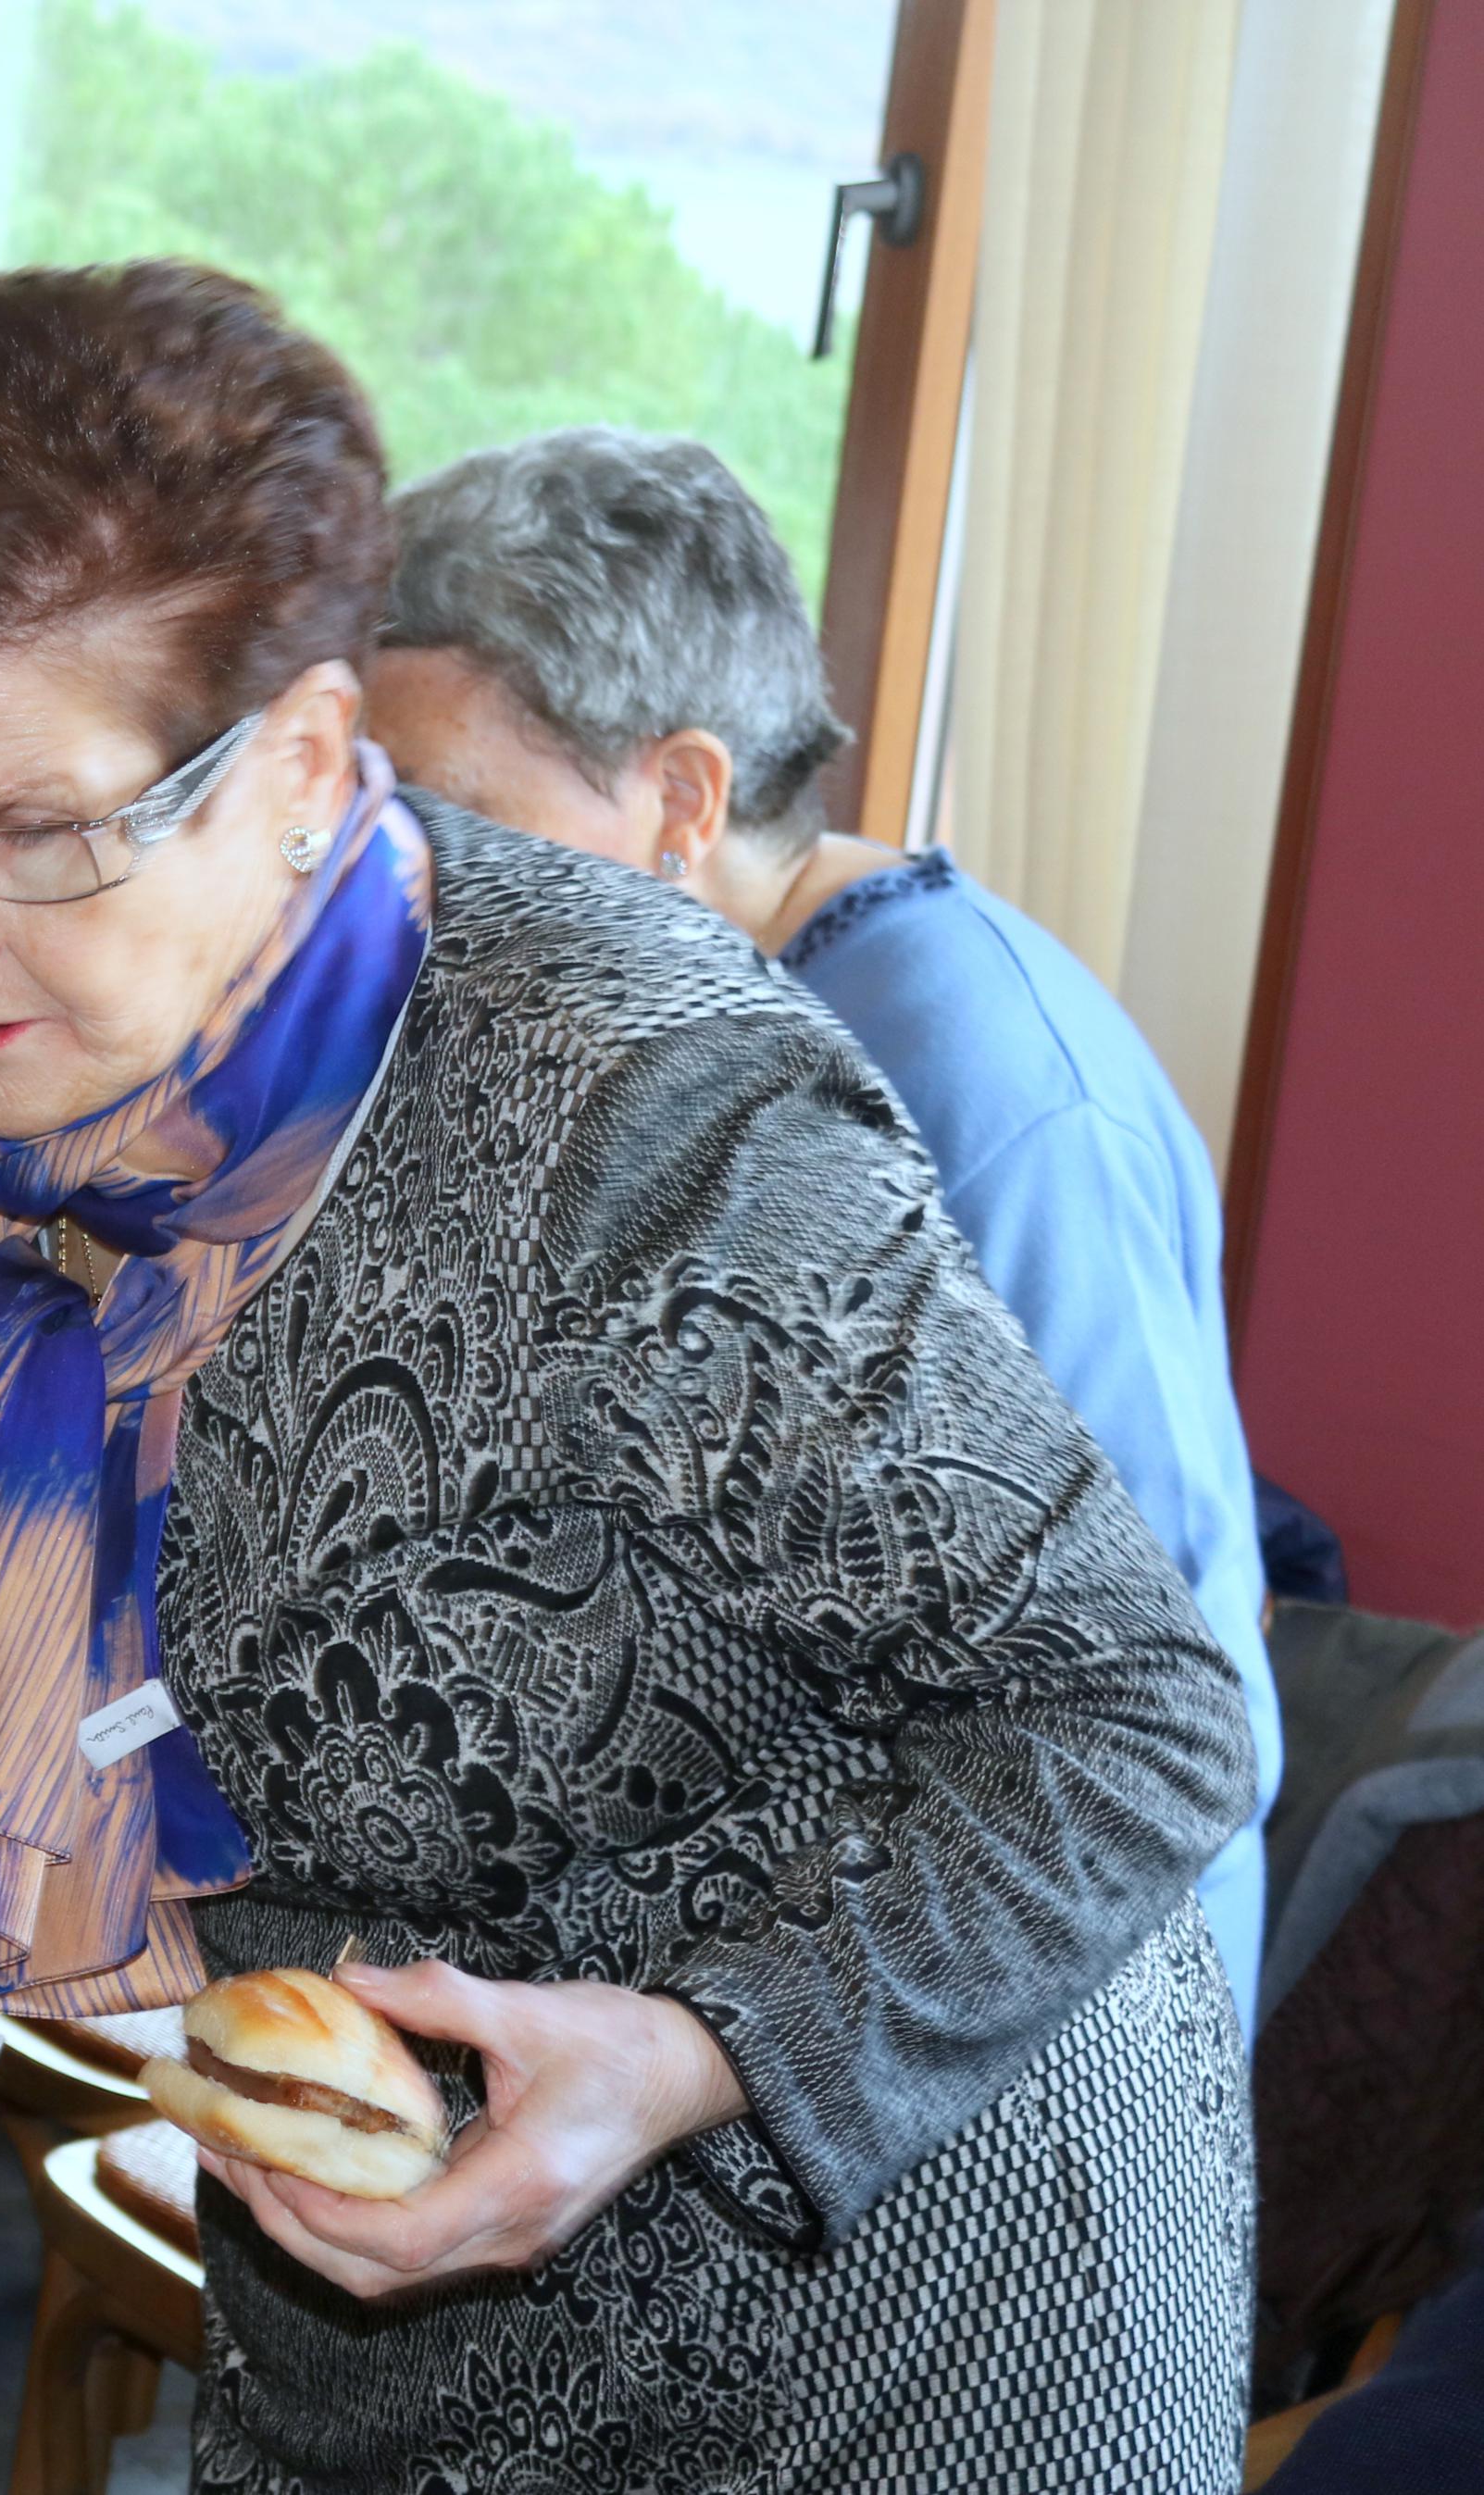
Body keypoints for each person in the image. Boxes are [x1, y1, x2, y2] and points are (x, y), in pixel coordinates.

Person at [0, 266, 1253, 2488]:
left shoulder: (654, 1134)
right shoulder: (6, 1023)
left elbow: (1134, 1715)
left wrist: (692, 2050)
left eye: (30, 830)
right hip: (362, 2257)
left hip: (870, 2300)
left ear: (301, 762)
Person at [361, 426, 1286, 2035]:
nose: (403, 886)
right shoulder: (649, 1023)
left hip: (1008, 2037)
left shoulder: (993, 1092)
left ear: (681, 796)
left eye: (457, 820)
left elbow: (1163, 1725)